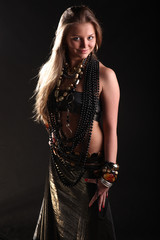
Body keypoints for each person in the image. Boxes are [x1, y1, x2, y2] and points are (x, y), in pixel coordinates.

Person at [33, 5, 120, 240]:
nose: (85, 45)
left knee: (92, 231)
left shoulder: (105, 76)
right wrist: (58, 139)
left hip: (91, 170)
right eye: (77, 39)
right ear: (64, 39)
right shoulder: (50, 73)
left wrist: (107, 177)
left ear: (96, 37)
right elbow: (47, 113)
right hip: (60, 166)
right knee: (59, 231)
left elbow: (111, 129)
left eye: (90, 38)